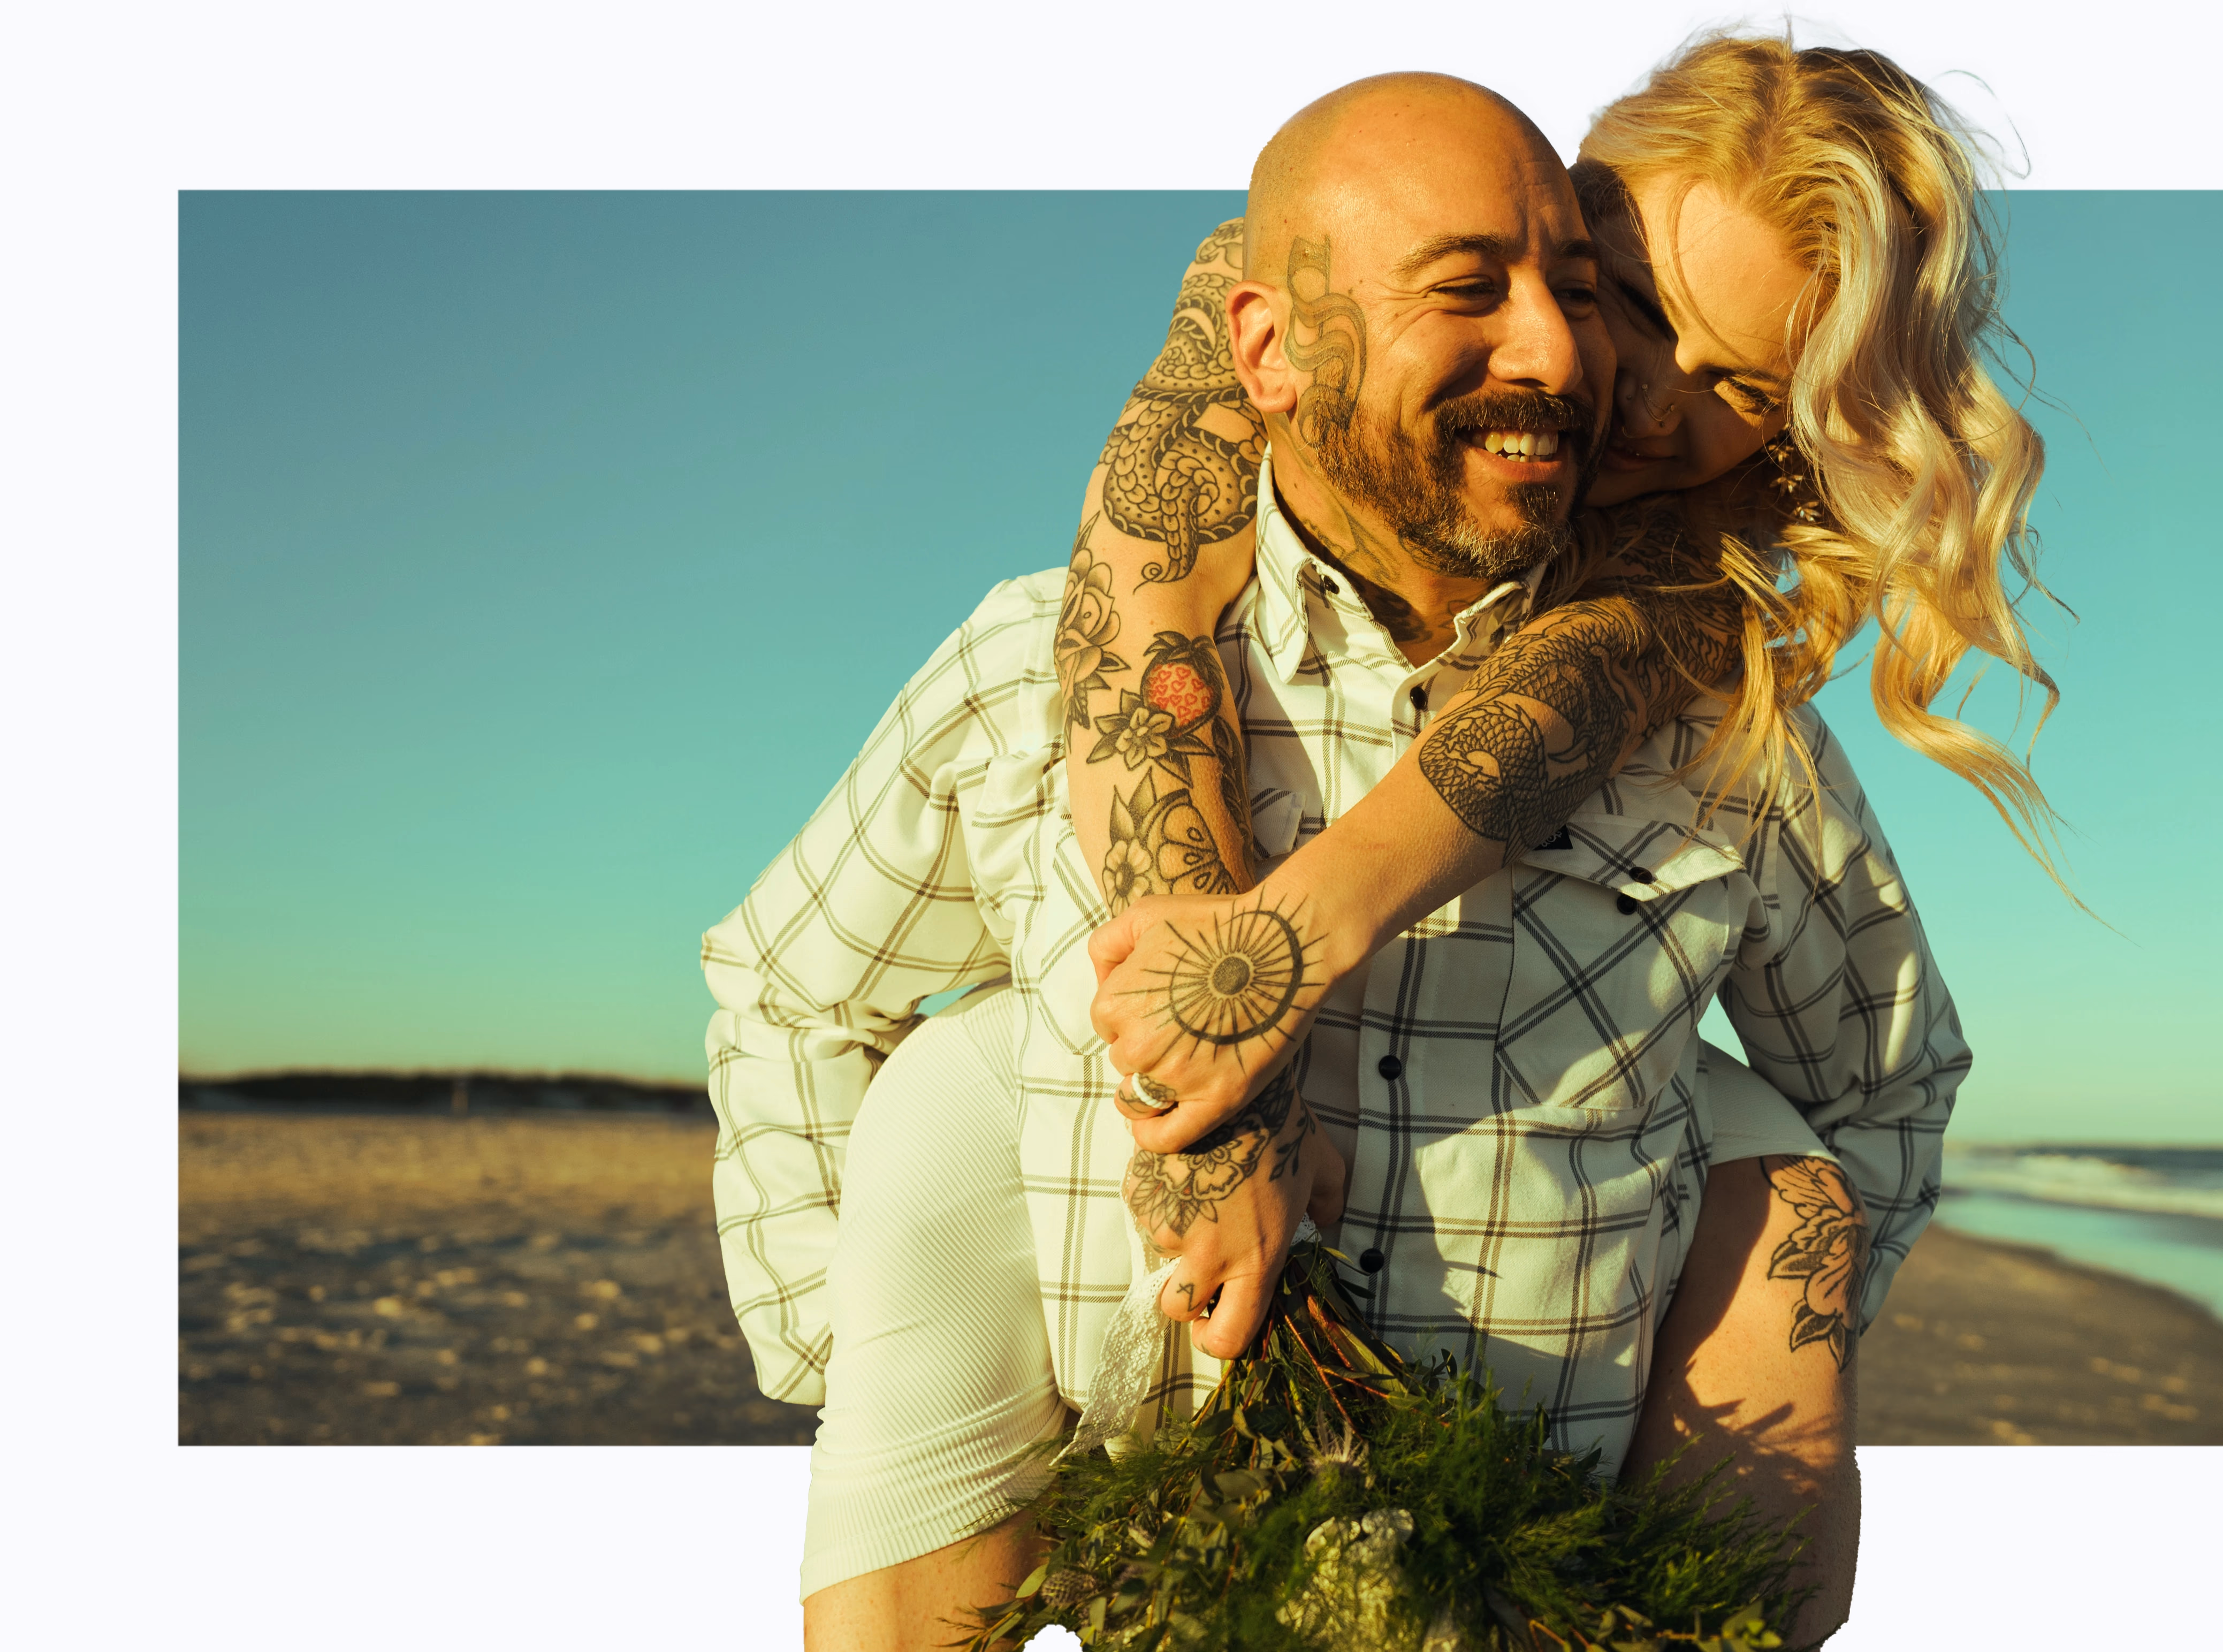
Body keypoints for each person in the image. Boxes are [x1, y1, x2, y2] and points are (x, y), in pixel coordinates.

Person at [704, 60, 1983, 1652]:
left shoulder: (1728, 736)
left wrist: (1746, 1361)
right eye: (1631, 309)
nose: (1625, 392)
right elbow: (792, 995)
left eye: (1738, 385)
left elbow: (1884, 1086)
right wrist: (870, 1355)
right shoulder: (1044, 661)